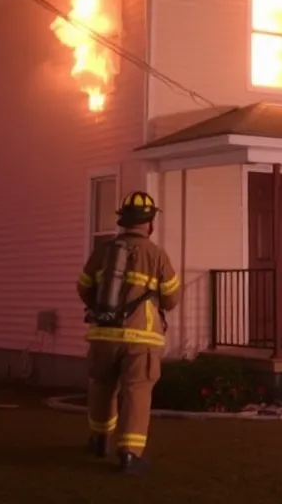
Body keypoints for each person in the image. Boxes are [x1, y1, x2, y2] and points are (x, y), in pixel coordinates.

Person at [76, 191, 181, 474]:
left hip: (103, 334)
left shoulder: (103, 251)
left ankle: (99, 441)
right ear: (150, 223)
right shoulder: (156, 254)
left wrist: (103, 308)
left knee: (102, 387)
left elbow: (83, 287)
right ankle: (130, 455)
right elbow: (171, 299)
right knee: (137, 392)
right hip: (141, 339)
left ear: (123, 220)